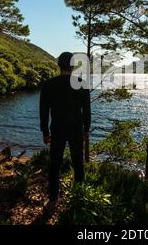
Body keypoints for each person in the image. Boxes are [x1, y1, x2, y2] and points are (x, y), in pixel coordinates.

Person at [39, 52, 91, 214]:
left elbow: (43, 111)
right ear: (73, 66)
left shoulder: (48, 84)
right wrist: (86, 130)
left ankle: (53, 200)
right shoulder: (81, 84)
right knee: (78, 163)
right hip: (76, 130)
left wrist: (45, 132)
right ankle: (79, 196)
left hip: (57, 129)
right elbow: (87, 111)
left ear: (58, 65)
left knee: (55, 164)